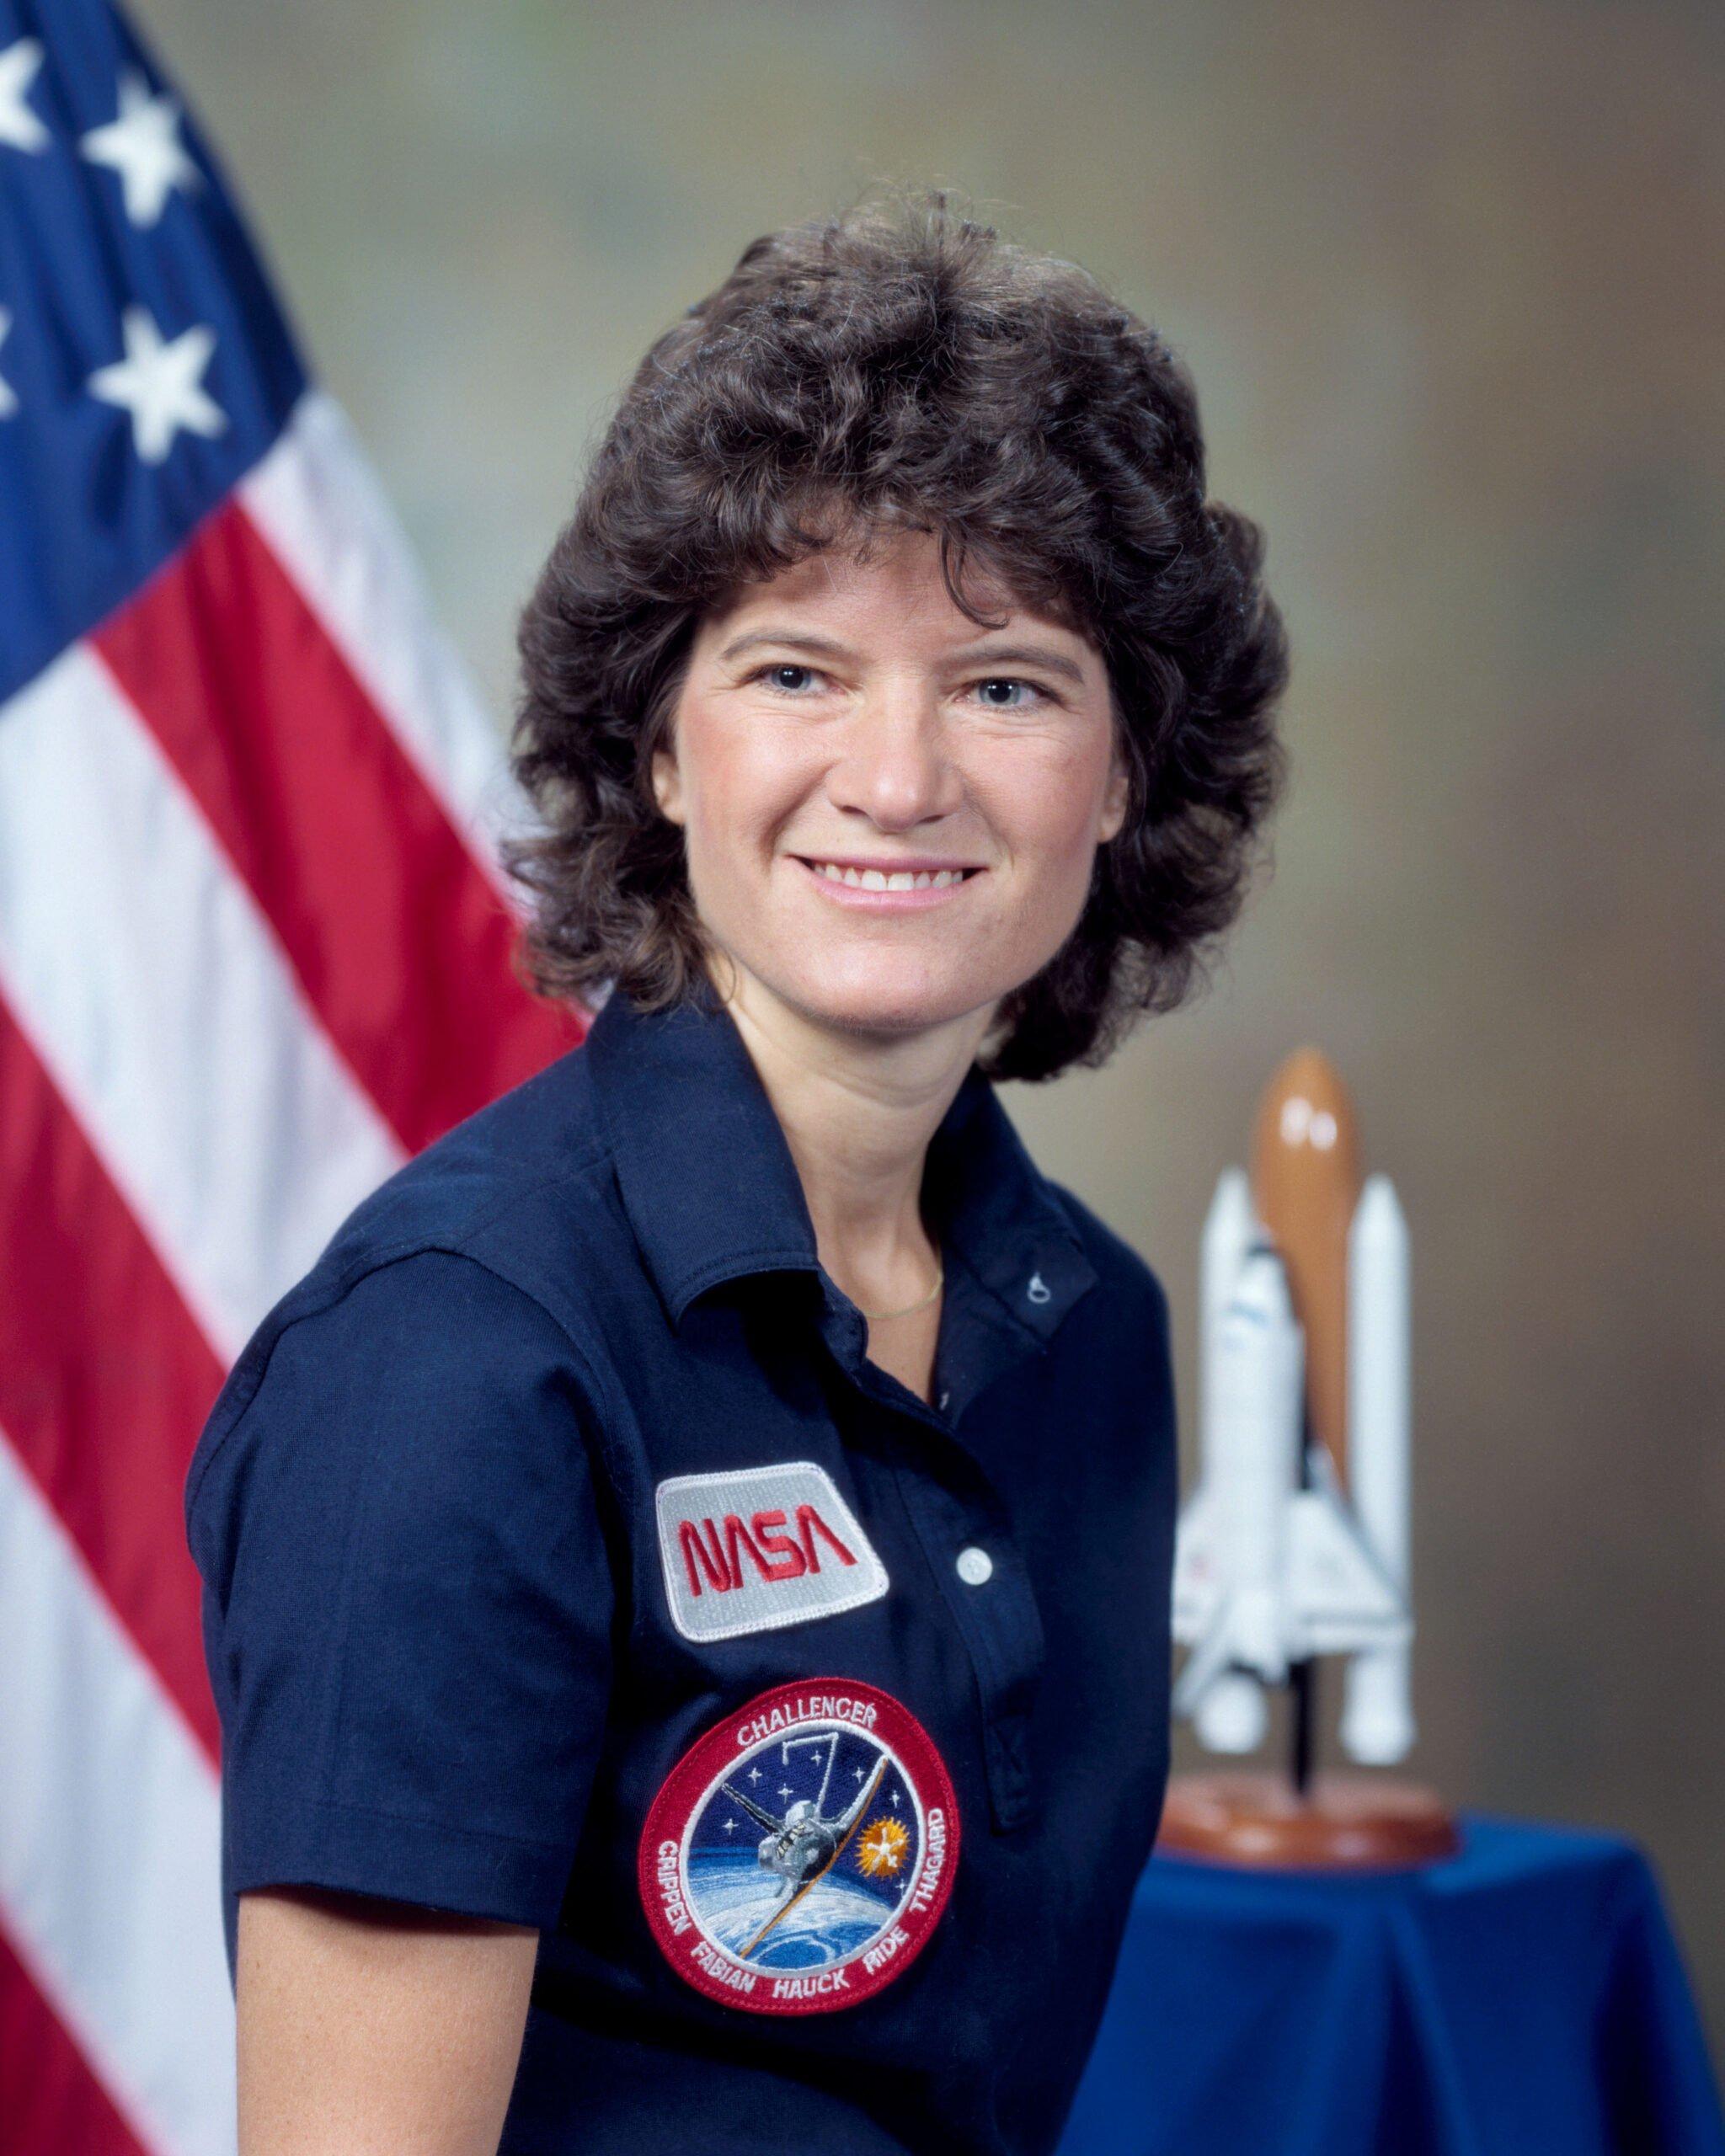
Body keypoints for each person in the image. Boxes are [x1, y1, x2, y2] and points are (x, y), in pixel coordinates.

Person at [184, 183, 1289, 2155]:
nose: (897, 775)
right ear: (663, 748)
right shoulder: (456, 1360)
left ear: (1121, 774)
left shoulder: (1090, 1330)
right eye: (796, 670)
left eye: (1006, 680)